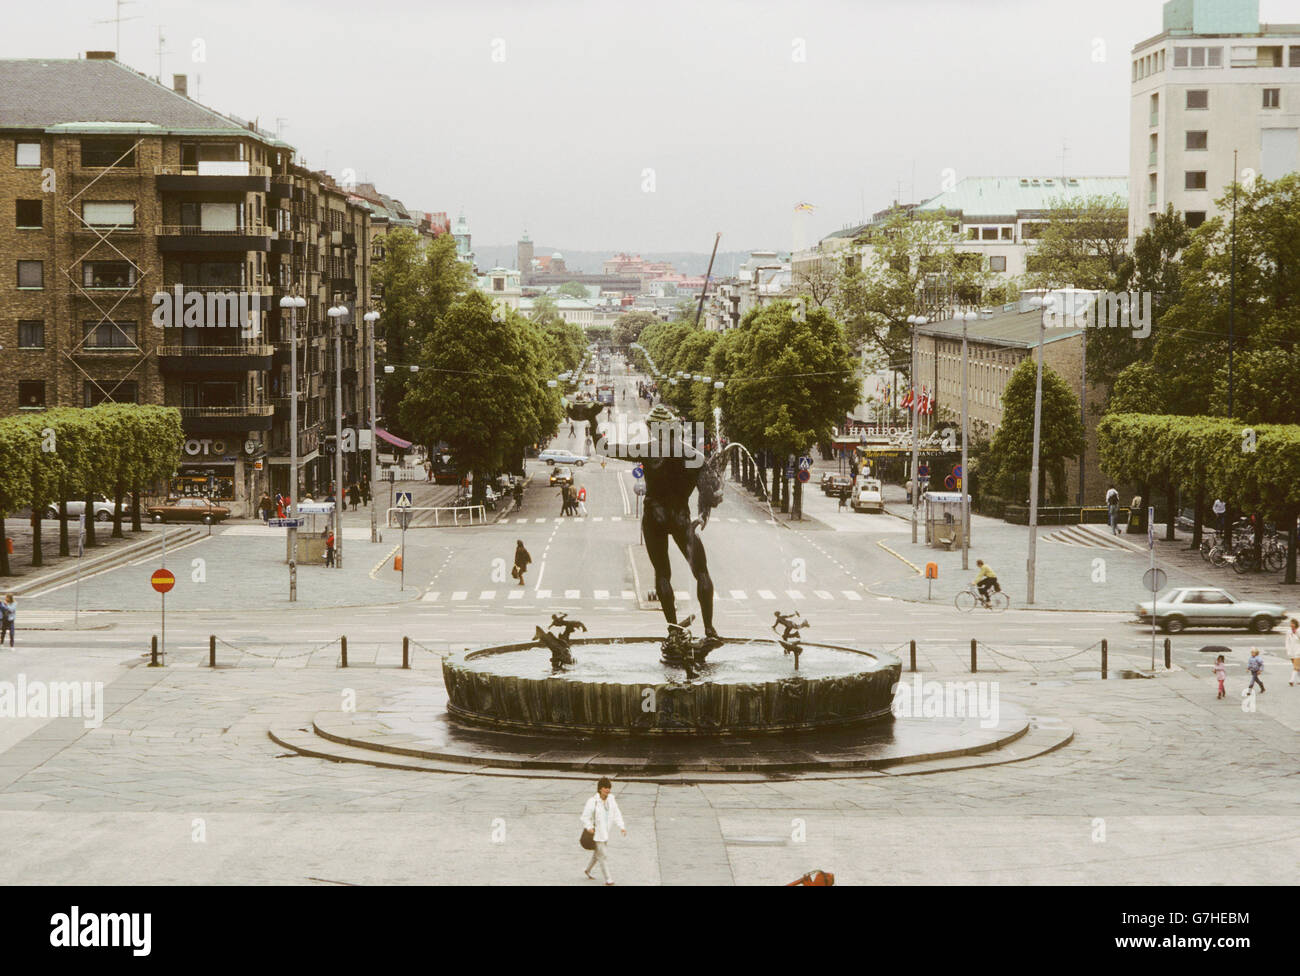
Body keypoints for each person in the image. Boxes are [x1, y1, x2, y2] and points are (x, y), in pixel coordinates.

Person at [641, 403, 723, 642]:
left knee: (662, 574)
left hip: (654, 517)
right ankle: (709, 629)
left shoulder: (646, 451)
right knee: (701, 572)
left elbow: (604, 448)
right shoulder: (694, 456)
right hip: (680, 518)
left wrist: (593, 422)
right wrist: (703, 513)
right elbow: (709, 495)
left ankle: (674, 630)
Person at [580, 776, 626, 885]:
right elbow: (585, 817)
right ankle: (608, 879)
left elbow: (616, 813)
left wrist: (622, 826)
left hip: (605, 832)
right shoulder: (592, 801)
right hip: (597, 833)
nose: (608, 790)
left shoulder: (611, 799)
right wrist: (589, 827)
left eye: (609, 788)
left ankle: (587, 870)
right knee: (603, 855)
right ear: (600, 788)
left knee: (598, 853)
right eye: (605, 788)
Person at [1287, 618, 1300, 687]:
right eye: (1290, 623)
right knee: (1297, 666)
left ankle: (1291, 680)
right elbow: (1287, 641)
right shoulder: (1289, 632)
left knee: (1296, 666)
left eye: (1292, 623)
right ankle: (1299, 680)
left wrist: (1296, 633)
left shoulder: (1299, 631)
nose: (1291, 624)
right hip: (1291, 651)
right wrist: (1288, 650)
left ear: (1295, 624)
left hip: (1298, 650)